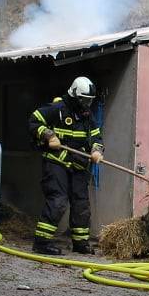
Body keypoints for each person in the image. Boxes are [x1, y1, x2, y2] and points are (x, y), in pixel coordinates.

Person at [28, 76, 104, 255]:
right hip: (57, 163)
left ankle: (80, 244)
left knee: (81, 204)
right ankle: (41, 244)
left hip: (78, 165)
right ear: (75, 95)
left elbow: (96, 135)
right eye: (84, 100)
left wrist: (96, 150)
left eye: (90, 101)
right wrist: (48, 135)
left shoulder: (87, 114)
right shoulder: (57, 108)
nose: (87, 104)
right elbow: (33, 121)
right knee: (58, 201)